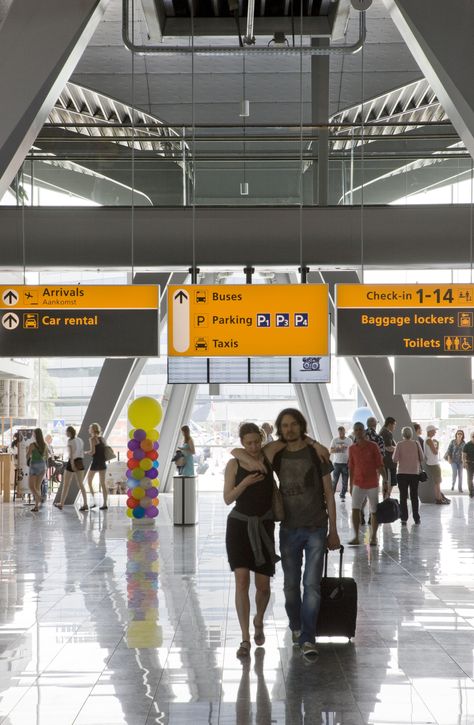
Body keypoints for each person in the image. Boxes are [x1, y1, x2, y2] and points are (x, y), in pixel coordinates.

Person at [232, 409, 339, 661]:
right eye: (285, 425)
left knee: (311, 586)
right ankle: (296, 627)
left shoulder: (317, 454)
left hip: (316, 526)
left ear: (301, 425)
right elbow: (240, 452)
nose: (290, 429)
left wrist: (334, 530)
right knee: (290, 587)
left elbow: (329, 493)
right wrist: (312, 439)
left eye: (294, 425)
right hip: (289, 527)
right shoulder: (277, 454)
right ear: (280, 429)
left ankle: (308, 638)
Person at [224, 422, 279, 658]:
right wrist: (244, 483)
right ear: (242, 443)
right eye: (249, 443)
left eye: (257, 442)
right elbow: (227, 498)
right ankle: (245, 637)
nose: (254, 447)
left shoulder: (267, 457)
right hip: (238, 525)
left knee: (264, 586)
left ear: (261, 439)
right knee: (242, 581)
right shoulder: (234, 464)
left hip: (264, 525)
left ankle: (259, 620)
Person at [348, 421, 386, 546]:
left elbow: (380, 464)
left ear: (364, 431)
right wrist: (350, 484)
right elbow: (351, 468)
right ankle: (356, 537)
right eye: (356, 429)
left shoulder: (373, 446)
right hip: (358, 483)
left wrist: (385, 480)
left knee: (374, 511)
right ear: (354, 432)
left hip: (372, 483)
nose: (358, 432)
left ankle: (374, 537)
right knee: (355, 509)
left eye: (360, 429)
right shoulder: (352, 449)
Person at [393, 426, 423, 525]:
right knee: (414, 496)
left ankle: (404, 518)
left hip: (401, 473)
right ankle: (416, 518)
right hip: (414, 473)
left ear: (402, 435)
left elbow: (395, 459)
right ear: (411, 434)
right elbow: (422, 458)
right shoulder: (416, 443)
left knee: (403, 496)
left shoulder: (399, 444)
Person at [55, 425, 88, 511]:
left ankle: (61, 503)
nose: (66, 433)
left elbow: (71, 454)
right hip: (80, 461)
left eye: (66, 432)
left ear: (69, 432)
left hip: (72, 462)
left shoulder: (70, 441)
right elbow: (81, 452)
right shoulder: (80, 440)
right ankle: (85, 503)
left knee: (66, 484)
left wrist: (72, 465)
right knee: (81, 484)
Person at [424, 424, 449, 505]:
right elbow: (435, 452)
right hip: (434, 464)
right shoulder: (429, 440)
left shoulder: (426, 440)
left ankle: (439, 498)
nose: (435, 432)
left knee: (437, 482)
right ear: (430, 431)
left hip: (431, 463)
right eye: (434, 431)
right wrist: (437, 445)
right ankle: (438, 499)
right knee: (437, 482)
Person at [85, 422, 108, 510]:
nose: (88, 429)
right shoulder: (102, 438)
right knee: (103, 483)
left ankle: (94, 501)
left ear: (92, 430)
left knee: (89, 481)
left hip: (95, 462)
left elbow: (93, 452)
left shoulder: (92, 439)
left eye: (89, 428)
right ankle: (105, 504)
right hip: (102, 462)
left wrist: (86, 452)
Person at [26, 428, 48, 512]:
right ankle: (36, 506)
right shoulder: (45, 445)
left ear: (35, 435)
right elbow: (46, 456)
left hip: (34, 465)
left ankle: (39, 498)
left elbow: (27, 456)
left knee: (31, 487)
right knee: (37, 487)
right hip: (42, 466)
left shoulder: (32, 445)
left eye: (33, 433)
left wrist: (28, 453)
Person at [329, 425, 352, 501]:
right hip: (337, 463)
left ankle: (342, 495)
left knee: (345, 481)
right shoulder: (335, 440)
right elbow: (331, 451)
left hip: (346, 463)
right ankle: (331, 495)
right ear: (338, 432)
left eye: (342, 432)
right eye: (340, 432)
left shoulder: (349, 440)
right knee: (334, 480)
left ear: (344, 432)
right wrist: (339, 448)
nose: (341, 433)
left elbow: (352, 451)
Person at [380, 416, 397, 491]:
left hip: (384, 460)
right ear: (390, 424)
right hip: (388, 461)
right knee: (391, 480)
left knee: (386, 479)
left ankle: (386, 496)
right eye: (394, 425)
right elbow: (388, 447)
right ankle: (387, 496)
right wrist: (397, 448)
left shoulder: (382, 431)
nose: (394, 427)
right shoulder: (386, 433)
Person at [462, 432, 474, 498]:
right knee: (470, 479)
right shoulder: (467, 445)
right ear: (470, 437)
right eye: (473, 436)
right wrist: (464, 463)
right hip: (469, 464)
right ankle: (471, 492)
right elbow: (463, 455)